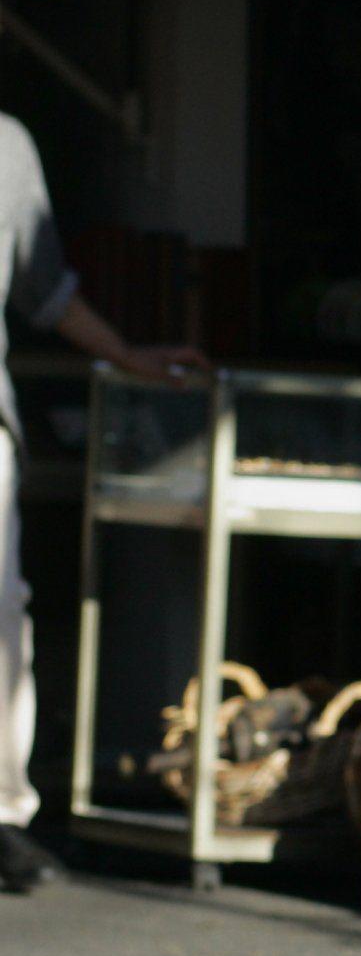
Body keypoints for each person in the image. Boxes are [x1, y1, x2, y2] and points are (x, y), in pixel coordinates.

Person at [0, 110, 208, 895]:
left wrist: (127, 356)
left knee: (1, 615)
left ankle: (3, 817)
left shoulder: (9, 146)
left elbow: (44, 289)